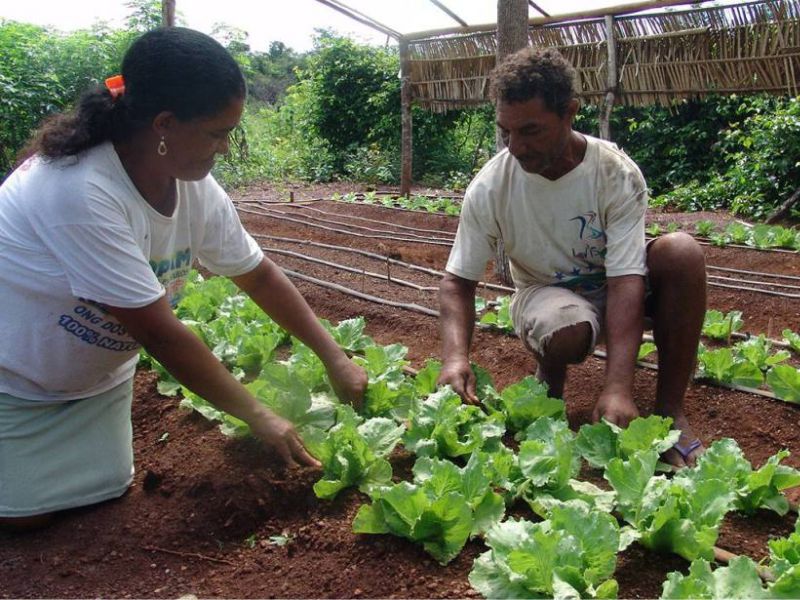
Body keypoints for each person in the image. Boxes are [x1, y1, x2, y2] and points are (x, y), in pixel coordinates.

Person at [0, 27, 367, 530]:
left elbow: (257, 276)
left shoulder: (194, 186)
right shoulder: (78, 190)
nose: (225, 147)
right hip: (15, 378)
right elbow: (158, 331)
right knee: (23, 521)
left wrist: (334, 356)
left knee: (104, 493)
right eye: (216, 133)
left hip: (94, 385)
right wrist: (258, 414)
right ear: (165, 124)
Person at [438, 47, 706, 468]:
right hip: (547, 295)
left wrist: (618, 387)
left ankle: (670, 410)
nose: (516, 146)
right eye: (506, 131)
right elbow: (457, 282)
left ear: (570, 113)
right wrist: (455, 358)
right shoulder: (492, 186)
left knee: (682, 253)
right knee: (565, 328)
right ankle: (550, 373)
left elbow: (624, 279)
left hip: (617, 289)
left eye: (530, 131)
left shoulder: (613, 172)